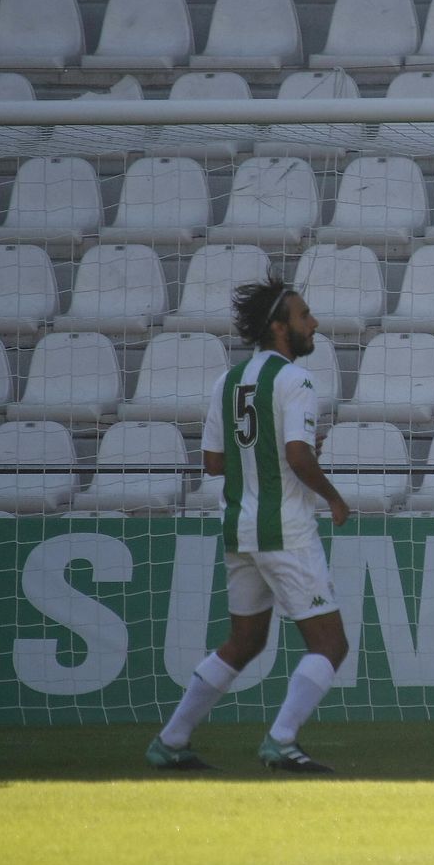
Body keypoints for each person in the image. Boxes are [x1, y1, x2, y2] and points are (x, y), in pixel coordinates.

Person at [147, 277, 352, 774]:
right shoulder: (296, 382)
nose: (315, 324)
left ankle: (171, 740)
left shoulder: (227, 382)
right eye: (305, 316)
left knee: (245, 641)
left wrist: (272, 461)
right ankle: (281, 740)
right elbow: (298, 455)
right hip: (285, 529)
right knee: (330, 643)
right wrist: (333, 497)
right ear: (279, 327)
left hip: (239, 528)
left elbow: (216, 463)